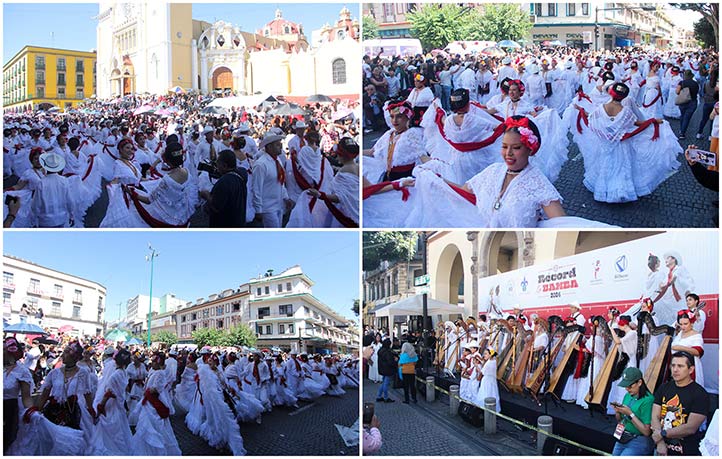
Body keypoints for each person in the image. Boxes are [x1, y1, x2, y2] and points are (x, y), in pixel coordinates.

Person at [651, 352, 709, 456]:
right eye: (673, 365)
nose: (675, 369)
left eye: (680, 366)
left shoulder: (700, 394)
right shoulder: (664, 388)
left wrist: (662, 434)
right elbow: (655, 416)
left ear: (691, 370)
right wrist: (660, 442)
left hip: (685, 451)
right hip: (660, 448)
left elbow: (690, 428)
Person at [131, 352, 182, 455]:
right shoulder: (153, 371)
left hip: (153, 402)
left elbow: (157, 389)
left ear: (158, 363)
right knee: (145, 423)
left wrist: (148, 391)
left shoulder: (160, 373)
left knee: (155, 424)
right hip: (148, 401)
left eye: (154, 362)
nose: (152, 363)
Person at [90, 348, 133, 455]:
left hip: (109, 405)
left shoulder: (115, 374)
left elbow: (108, 392)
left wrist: (101, 405)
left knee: (105, 431)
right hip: (117, 405)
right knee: (119, 428)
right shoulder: (123, 373)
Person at [610, 367, 654, 455]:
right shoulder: (628, 395)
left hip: (638, 440)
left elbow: (646, 431)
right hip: (623, 436)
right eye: (625, 386)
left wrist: (630, 414)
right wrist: (618, 411)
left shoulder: (648, 400)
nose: (627, 389)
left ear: (640, 382)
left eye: (630, 386)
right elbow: (620, 420)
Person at [252, 133, 291, 227]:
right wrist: (258, 210)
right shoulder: (261, 164)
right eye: (277, 144)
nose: (280, 146)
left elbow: (280, 182)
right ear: (269, 147)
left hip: (279, 205)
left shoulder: (278, 160)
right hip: (267, 208)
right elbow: (256, 188)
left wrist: (285, 197)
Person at [201, 149, 247, 227]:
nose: (216, 166)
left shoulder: (225, 182)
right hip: (238, 221)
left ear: (225, 166)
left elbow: (216, 206)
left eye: (218, 164)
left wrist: (206, 195)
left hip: (225, 224)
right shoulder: (241, 174)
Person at [31, 152, 75, 227]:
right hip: (61, 218)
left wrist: (34, 220)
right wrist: (72, 215)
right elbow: (70, 200)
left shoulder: (42, 183)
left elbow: (36, 205)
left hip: (45, 220)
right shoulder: (64, 181)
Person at [671, 310, 705, 388]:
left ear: (692, 323)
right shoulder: (679, 334)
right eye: (681, 324)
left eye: (685, 324)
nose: (683, 326)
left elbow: (698, 352)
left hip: (690, 368)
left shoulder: (696, 335)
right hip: (677, 366)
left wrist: (680, 348)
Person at [677, 70, 700, 139]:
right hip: (692, 102)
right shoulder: (695, 83)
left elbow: (677, 91)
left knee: (682, 116)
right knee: (687, 117)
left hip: (683, 101)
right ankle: (682, 132)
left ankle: (681, 130)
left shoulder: (682, 82)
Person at [375, 338, 397, 403]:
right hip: (387, 370)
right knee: (386, 384)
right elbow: (390, 362)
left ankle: (379, 396)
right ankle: (386, 397)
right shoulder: (387, 352)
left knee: (383, 383)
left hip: (382, 369)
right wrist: (395, 361)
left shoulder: (380, 350)